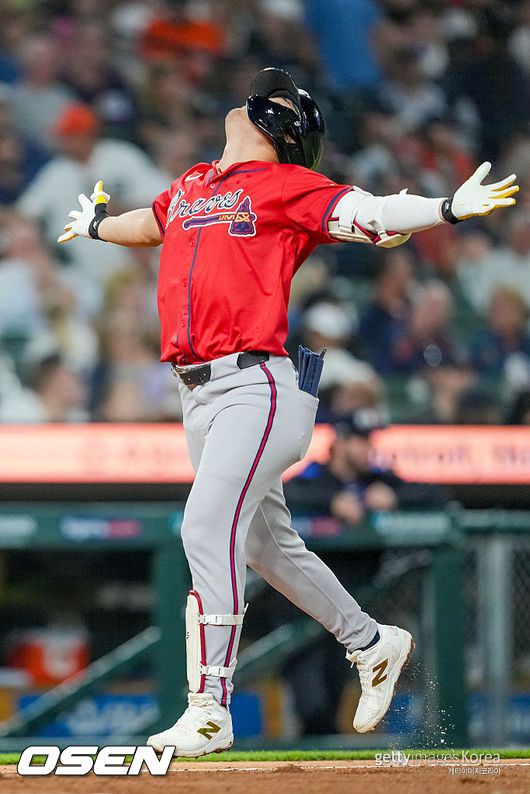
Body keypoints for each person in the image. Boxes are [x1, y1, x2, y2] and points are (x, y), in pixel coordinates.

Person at [57, 67, 518, 757]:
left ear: (285, 131)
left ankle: (208, 708)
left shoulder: (286, 186)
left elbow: (370, 215)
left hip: (257, 385)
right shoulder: (190, 185)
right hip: (197, 393)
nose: (253, 103)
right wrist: (95, 224)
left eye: (271, 102)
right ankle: (371, 642)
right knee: (269, 546)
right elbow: (147, 224)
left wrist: (445, 208)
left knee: (207, 528)